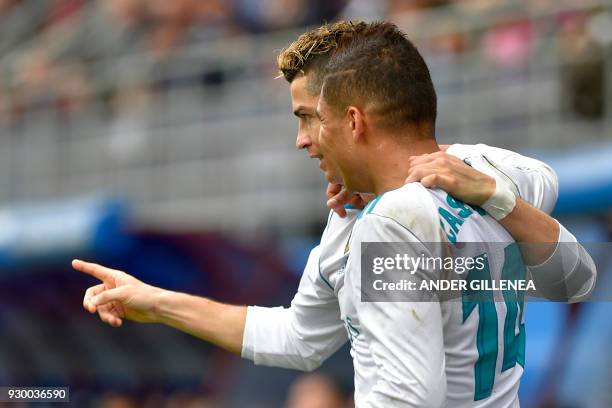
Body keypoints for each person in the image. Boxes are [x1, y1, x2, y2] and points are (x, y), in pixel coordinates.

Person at [73, 20, 596, 406]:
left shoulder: (390, 225)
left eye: (308, 118)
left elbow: (408, 398)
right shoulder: (495, 170)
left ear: (353, 120)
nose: (301, 140)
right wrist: (156, 301)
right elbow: (298, 338)